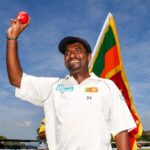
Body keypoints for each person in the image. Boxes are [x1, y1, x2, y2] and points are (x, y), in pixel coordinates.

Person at [6, 17, 136, 150]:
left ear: (89, 57)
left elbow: (121, 131)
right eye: (67, 52)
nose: (71, 55)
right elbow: (16, 80)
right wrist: (12, 38)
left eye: (78, 50)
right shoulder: (52, 87)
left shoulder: (107, 87)